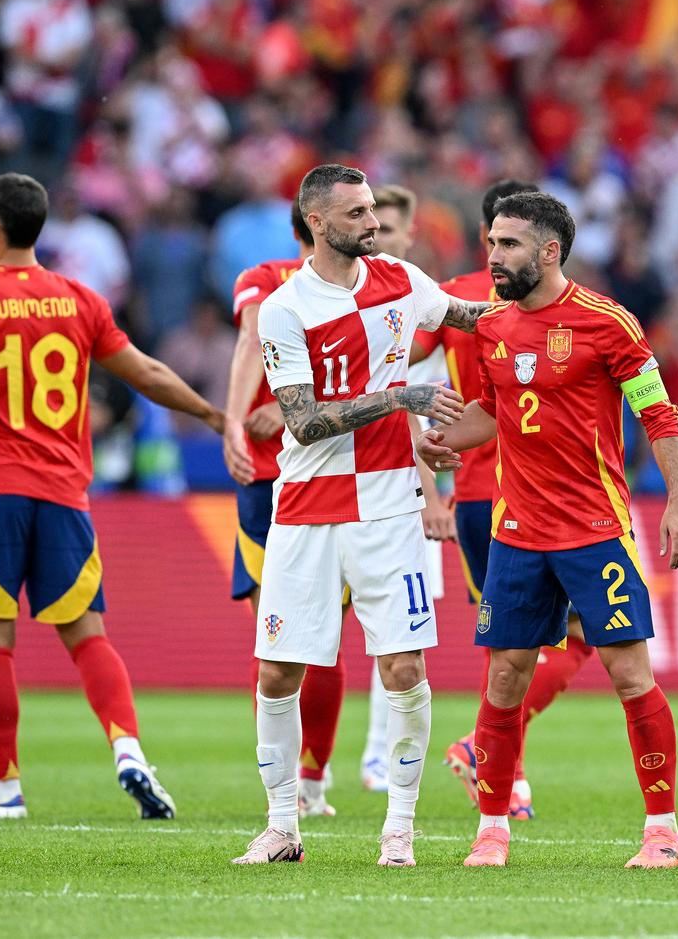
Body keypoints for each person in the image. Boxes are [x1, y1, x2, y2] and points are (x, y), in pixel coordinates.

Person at [0, 172, 224, 821]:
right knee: (87, 634)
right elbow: (147, 372)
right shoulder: (80, 299)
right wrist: (212, 415)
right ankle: (130, 747)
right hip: (64, 490)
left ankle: (4, 790)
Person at [416, 191, 678, 869]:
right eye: (490, 243)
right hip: (517, 529)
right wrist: (445, 441)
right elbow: (498, 408)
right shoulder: (490, 327)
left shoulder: (609, 323)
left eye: (508, 245)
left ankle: (663, 830)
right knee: (505, 678)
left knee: (629, 672)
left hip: (595, 529)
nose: (494, 256)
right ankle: (492, 829)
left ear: (549, 251)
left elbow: (660, 416)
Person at [233, 164, 486, 868]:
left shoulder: (403, 280)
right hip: (308, 510)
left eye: (373, 210)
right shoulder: (285, 309)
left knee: (404, 666)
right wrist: (399, 397)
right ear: (318, 222)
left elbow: (467, 317)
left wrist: (552, 307)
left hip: (388, 509)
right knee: (279, 673)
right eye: (357, 214)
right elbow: (306, 422)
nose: (373, 223)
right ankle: (284, 824)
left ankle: (399, 830)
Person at [418, 178, 585, 823]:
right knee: (574, 634)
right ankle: (486, 753)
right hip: (530, 490)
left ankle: (504, 772)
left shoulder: (455, 296)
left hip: (472, 490)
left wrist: (428, 470)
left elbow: (399, 369)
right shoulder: (546, 303)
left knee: (508, 641)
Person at [221, 196, 345, 820]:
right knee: (316, 639)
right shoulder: (355, 283)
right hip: (312, 476)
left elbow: (249, 341)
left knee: (282, 640)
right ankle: (308, 781)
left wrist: (235, 424)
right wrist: (242, 422)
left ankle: (300, 784)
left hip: (297, 475)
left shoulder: (264, 281)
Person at [355, 182, 456, 793]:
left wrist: (432, 492)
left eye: (388, 231)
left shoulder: (420, 314)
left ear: (407, 238)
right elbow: (401, 415)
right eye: (371, 228)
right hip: (359, 488)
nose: (377, 241)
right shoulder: (372, 322)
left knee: (397, 631)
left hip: (405, 492)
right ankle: (316, 772)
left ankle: (374, 755)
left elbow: (428, 421)